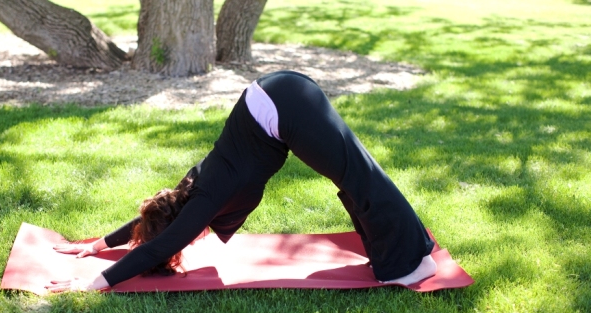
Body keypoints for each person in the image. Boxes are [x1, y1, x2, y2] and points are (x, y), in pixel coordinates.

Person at [47, 71, 437, 293]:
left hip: (285, 105)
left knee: (357, 173)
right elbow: (154, 224)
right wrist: (99, 244)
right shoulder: (188, 189)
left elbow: (159, 244)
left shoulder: (203, 200)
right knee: (353, 177)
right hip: (274, 94)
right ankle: (402, 256)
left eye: (186, 237)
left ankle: (409, 263)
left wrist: (90, 283)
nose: (190, 240)